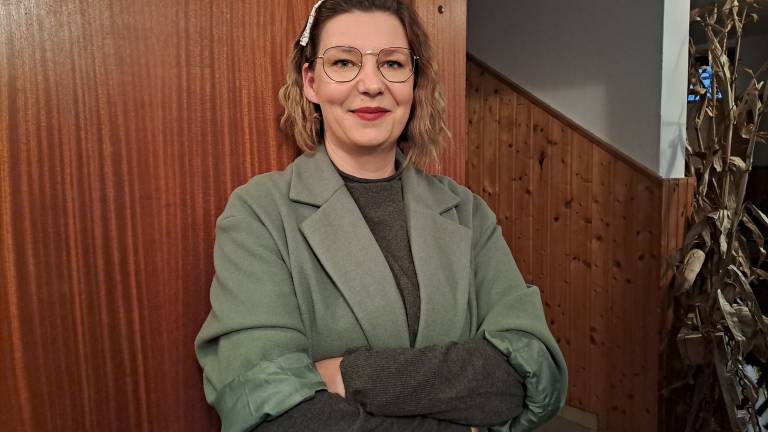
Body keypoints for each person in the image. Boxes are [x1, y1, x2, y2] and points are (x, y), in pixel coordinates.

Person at [194, 1, 568, 431]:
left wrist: (352, 375)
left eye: (392, 63)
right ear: (311, 82)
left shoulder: (467, 213)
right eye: (343, 62)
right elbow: (270, 411)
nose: (371, 84)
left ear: (414, 81)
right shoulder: (258, 214)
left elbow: (528, 372)